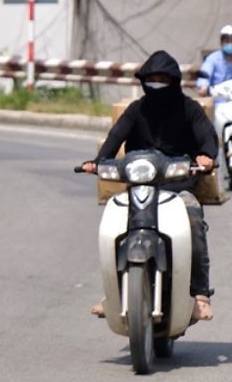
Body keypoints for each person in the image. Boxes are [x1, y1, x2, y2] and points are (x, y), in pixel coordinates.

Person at [81, 50, 218, 323]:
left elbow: (208, 138)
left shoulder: (189, 109)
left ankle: (200, 296)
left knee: (193, 219)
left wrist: (207, 156)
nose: (157, 84)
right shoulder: (137, 110)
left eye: (163, 79)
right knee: (114, 225)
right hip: (140, 187)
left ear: (174, 82)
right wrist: (98, 162)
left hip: (179, 187)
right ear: (143, 81)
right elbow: (115, 137)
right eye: (152, 79)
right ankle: (114, 295)